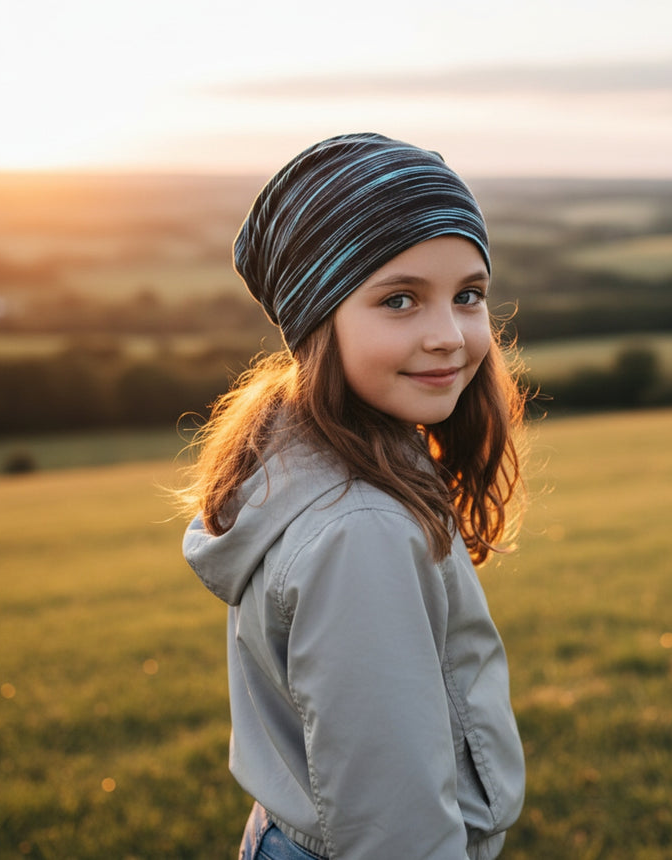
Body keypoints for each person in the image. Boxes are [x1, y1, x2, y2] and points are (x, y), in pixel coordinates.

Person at [180, 133, 527, 860]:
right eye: (399, 300)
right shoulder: (360, 527)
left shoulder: (315, 461)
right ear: (318, 319)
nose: (449, 335)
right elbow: (394, 824)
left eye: (468, 296)